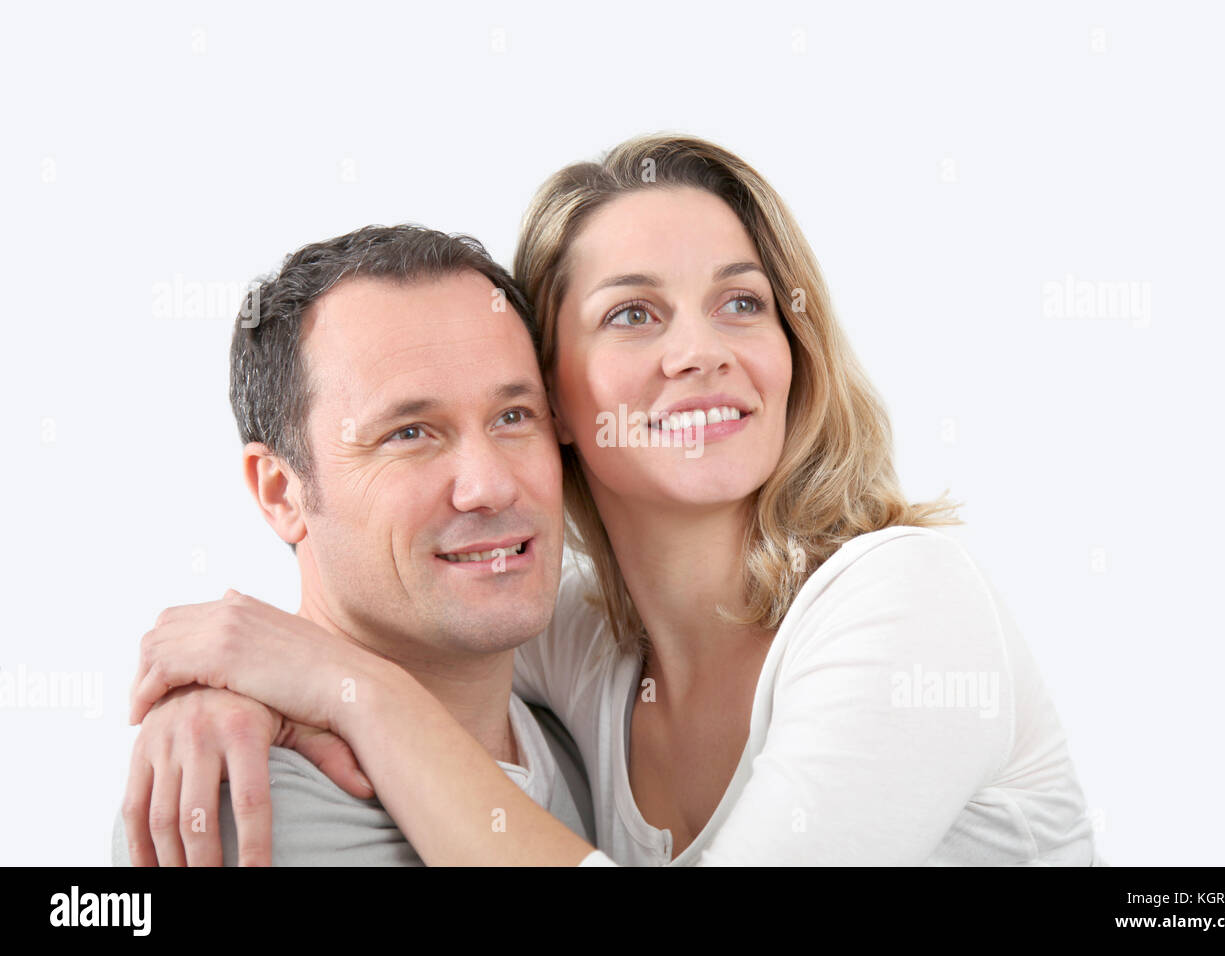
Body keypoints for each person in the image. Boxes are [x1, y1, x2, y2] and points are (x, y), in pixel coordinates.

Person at [123, 133, 1098, 865]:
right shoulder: (572, 632)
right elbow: (401, 592)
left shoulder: (903, 601)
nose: (700, 350)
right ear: (560, 397)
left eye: (743, 301)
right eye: (632, 313)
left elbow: (374, 653)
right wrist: (223, 692)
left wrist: (347, 690)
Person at [114, 225, 595, 865]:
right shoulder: (250, 810)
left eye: (513, 416)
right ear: (281, 492)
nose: (489, 486)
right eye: (409, 433)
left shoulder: (579, 721)